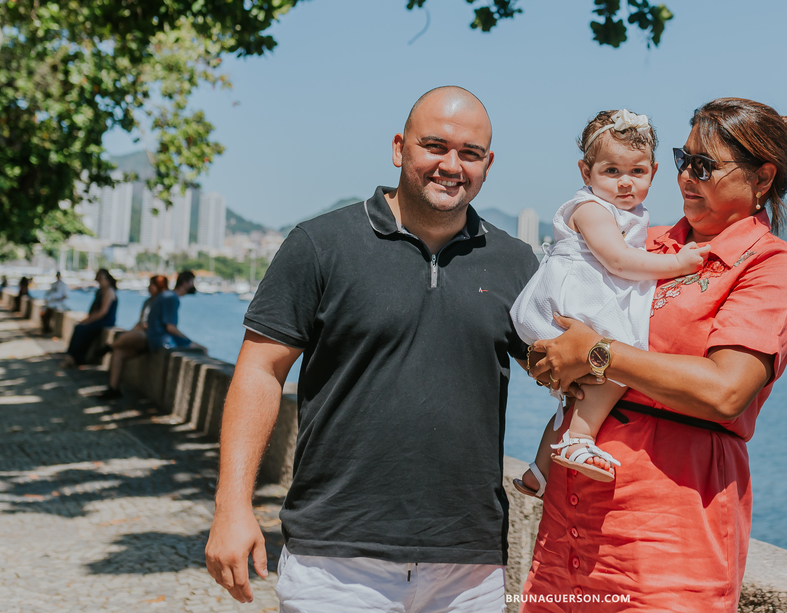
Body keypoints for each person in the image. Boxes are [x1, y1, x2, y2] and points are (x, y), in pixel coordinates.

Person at [204, 86, 540, 613]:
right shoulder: (321, 244)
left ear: (488, 163)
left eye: (470, 154)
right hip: (335, 561)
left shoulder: (517, 263)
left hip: (469, 566)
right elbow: (260, 372)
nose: (451, 165)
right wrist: (232, 507)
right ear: (398, 147)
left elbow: (563, 374)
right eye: (434, 146)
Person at [524, 98, 787, 612]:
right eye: (683, 160)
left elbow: (726, 390)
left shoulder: (769, 266)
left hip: (668, 529)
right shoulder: (641, 244)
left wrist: (596, 355)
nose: (685, 178)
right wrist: (550, 357)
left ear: (762, 179)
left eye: (705, 166)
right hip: (571, 523)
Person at [509, 109, 709, 497]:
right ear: (586, 172)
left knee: (576, 392)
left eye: (636, 172)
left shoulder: (626, 212)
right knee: (617, 365)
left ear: (652, 172)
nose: (624, 183)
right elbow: (618, 260)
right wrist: (677, 264)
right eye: (611, 172)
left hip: (588, 295)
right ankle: (579, 439)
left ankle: (538, 469)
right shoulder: (590, 209)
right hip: (575, 299)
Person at [94, 275, 170, 401]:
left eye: (152, 284)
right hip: (142, 334)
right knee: (119, 353)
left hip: (152, 338)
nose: (149, 287)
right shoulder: (148, 302)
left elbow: (162, 325)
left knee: (138, 334)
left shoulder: (163, 302)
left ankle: (109, 347)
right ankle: (114, 388)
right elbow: (140, 321)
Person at [62, 269, 118, 368]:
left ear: (107, 280)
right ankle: (73, 357)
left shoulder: (109, 292)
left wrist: (88, 321)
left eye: (101, 278)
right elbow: (94, 310)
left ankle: (74, 358)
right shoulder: (101, 292)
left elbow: (102, 312)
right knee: (80, 328)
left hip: (105, 321)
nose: (99, 281)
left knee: (81, 328)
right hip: (99, 320)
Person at [143, 271, 197, 352]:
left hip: (154, 340)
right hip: (162, 341)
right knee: (202, 350)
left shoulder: (165, 295)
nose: (193, 285)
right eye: (192, 282)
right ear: (185, 283)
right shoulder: (171, 298)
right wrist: (188, 340)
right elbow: (170, 328)